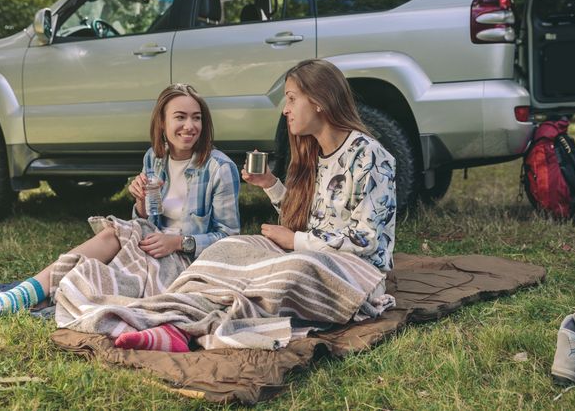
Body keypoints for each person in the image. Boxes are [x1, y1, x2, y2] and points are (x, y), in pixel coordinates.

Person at [88, 59, 398, 352]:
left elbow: (366, 240)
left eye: (291, 99)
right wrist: (271, 186)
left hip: (360, 274)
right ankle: (173, 318)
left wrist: (296, 241)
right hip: (314, 254)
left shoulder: (369, 155)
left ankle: (181, 332)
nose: (285, 110)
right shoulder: (316, 153)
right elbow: (311, 220)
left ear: (319, 100)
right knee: (231, 248)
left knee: (291, 269)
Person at [0, 84, 241, 343]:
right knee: (103, 253)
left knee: (108, 245)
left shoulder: (219, 168)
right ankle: (9, 300)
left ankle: (11, 299)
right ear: (162, 123)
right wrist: (141, 204)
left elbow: (230, 237)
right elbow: (148, 222)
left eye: (196, 118)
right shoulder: (155, 159)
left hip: (187, 261)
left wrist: (178, 243)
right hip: (151, 246)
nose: (190, 126)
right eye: (180, 117)